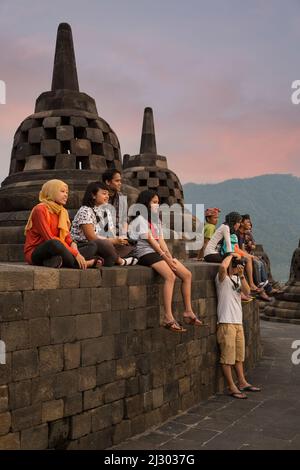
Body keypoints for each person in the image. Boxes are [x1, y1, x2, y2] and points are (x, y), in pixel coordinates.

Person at [129, 190, 203, 333]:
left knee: (187, 275)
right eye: (154, 202)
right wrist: (166, 258)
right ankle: (168, 317)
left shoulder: (156, 220)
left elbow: (161, 240)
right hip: (144, 253)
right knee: (170, 276)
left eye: (158, 202)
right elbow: (151, 241)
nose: (157, 205)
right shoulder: (140, 220)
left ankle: (188, 311)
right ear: (145, 203)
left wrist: (170, 257)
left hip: (157, 252)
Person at [24, 179, 100, 269]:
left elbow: (67, 237)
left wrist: (73, 245)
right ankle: (85, 263)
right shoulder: (40, 210)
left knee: (92, 245)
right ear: (52, 191)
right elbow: (49, 238)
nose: (66, 195)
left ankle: (57, 261)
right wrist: (76, 254)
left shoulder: (62, 211)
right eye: (62, 191)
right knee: (55, 243)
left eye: (67, 193)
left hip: (59, 249)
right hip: (38, 251)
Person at [215, 253, 262, 399]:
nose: (238, 268)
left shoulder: (236, 278)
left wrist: (242, 276)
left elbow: (247, 291)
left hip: (237, 322)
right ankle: (232, 386)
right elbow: (223, 267)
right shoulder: (221, 279)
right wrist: (231, 256)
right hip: (226, 322)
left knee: (239, 356)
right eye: (236, 266)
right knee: (227, 357)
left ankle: (242, 382)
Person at [71, 181, 137, 266]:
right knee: (102, 244)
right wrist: (113, 241)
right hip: (85, 245)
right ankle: (120, 261)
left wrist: (119, 240)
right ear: (93, 195)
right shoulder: (85, 210)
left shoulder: (106, 210)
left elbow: (111, 233)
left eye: (108, 194)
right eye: (104, 194)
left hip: (105, 244)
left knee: (134, 248)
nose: (107, 196)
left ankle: (107, 258)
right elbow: (91, 237)